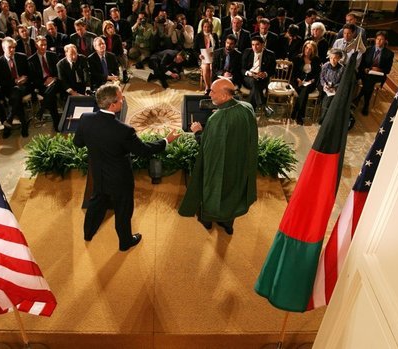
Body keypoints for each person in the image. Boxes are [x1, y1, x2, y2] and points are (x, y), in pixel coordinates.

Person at [73, 84, 180, 251]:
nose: (123, 100)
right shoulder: (124, 130)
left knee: (96, 202)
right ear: (113, 105)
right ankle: (125, 242)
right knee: (123, 210)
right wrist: (166, 141)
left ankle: (88, 232)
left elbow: (78, 143)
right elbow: (144, 150)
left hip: (98, 174)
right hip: (120, 179)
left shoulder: (86, 119)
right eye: (121, 98)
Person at [179, 78, 257, 235]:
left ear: (224, 96)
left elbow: (207, 147)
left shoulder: (217, 119)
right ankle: (227, 224)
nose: (209, 94)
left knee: (212, 189)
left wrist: (198, 131)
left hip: (220, 167)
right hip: (239, 165)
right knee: (233, 194)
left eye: (212, 91)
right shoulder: (247, 108)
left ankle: (207, 221)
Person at [354, 31, 394, 116]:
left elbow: (388, 70)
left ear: (385, 41)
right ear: (375, 40)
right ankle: (366, 104)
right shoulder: (367, 50)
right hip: (366, 73)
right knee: (368, 82)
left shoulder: (389, 54)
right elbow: (361, 65)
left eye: (381, 39)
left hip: (378, 75)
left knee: (369, 82)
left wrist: (379, 69)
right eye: (378, 39)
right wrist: (365, 69)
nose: (379, 41)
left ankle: (359, 98)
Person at [241, 36, 276, 115]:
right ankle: (263, 105)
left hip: (262, 79)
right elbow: (242, 69)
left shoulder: (270, 54)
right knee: (254, 81)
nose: (254, 47)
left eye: (257, 44)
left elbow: (273, 70)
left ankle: (249, 111)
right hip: (249, 78)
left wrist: (265, 74)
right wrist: (250, 74)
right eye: (253, 45)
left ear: (263, 45)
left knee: (256, 85)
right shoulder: (247, 52)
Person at [290, 40, 321, 125]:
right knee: (303, 92)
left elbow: (317, 74)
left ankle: (295, 112)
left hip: (310, 83)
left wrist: (311, 80)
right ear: (304, 48)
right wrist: (298, 79)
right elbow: (293, 73)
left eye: (310, 49)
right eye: (306, 48)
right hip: (298, 81)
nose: (308, 50)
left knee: (305, 89)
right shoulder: (298, 58)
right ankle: (300, 116)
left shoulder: (316, 60)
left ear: (314, 51)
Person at [319, 48, 345, 124]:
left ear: (339, 58)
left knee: (330, 101)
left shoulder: (342, 68)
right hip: (324, 87)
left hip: (335, 89)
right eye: (331, 58)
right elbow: (322, 77)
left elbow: (342, 81)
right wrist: (324, 84)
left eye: (335, 58)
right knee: (326, 100)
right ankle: (323, 119)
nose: (332, 60)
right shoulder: (326, 66)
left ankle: (327, 119)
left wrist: (334, 87)